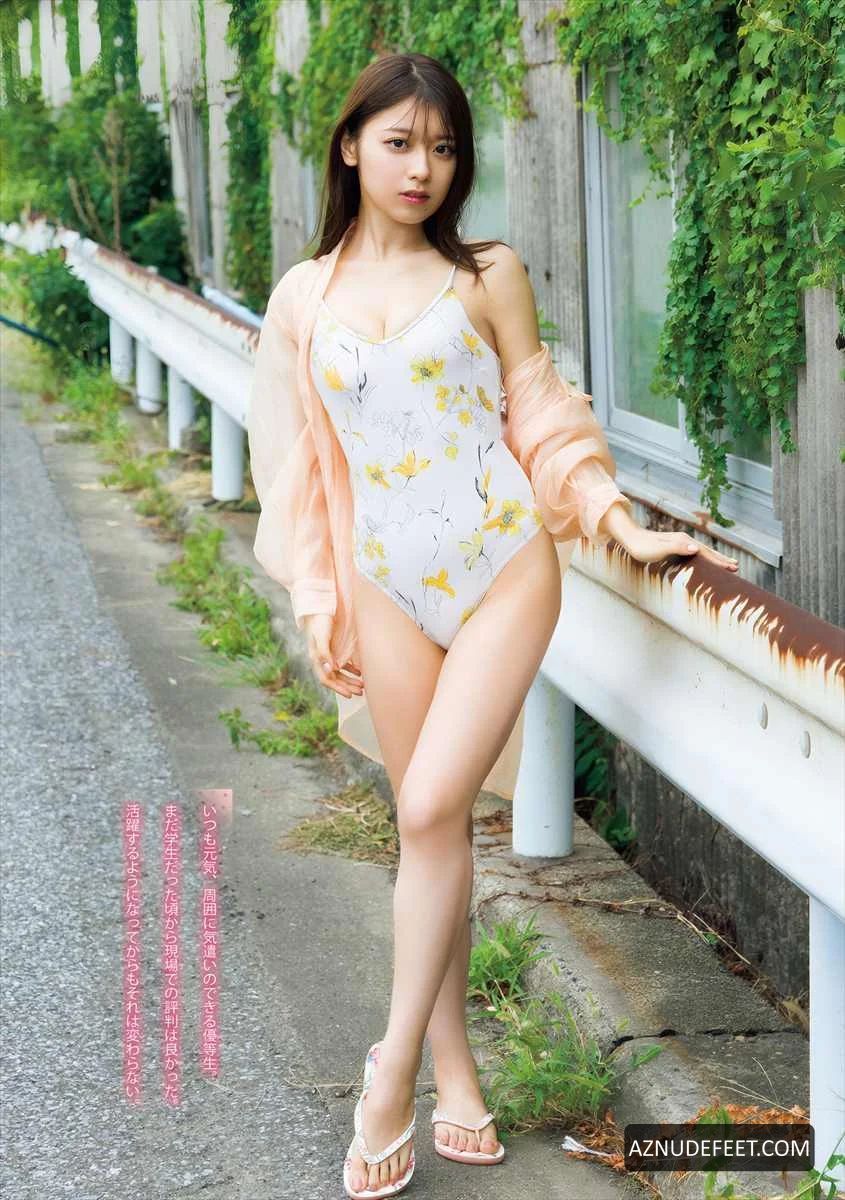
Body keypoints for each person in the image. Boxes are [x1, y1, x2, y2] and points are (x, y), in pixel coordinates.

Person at [247, 52, 739, 1200]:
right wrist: (321, 601)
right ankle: (456, 1068)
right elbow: (299, 469)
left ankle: (388, 1073)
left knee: (427, 808)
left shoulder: (485, 274)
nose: (421, 168)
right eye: (398, 143)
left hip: (500, 568)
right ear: (350, 147)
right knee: (434, 834)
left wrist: (613, 519)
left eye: (443, 147)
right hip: (384, 581)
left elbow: (541, 412)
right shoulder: (301, 298)